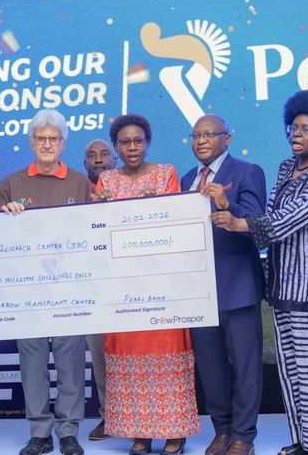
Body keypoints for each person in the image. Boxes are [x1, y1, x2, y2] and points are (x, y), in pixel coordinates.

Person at [211, 90, 308, 455]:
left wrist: (237, 223)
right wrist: (233, 210)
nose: (296, 134)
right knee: (292, 372)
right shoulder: (287, 168)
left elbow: (285, 221)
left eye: (306, 129)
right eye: (294, 127)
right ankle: (305, 441)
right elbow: (270, 211)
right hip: (283, 287)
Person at [95, 114, 199, 455]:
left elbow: (177, 222)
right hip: (122, 287)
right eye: (125, 142)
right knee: (128, 356)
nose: (132, 147)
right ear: (116, 147)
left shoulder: (166, 174)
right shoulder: (106, 181)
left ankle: (174, 432)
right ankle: (139, 431)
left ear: (148, 143)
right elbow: (98, 229)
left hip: (162, 285)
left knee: (166, 354)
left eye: (138, 141)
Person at [0, 109, 91, 455]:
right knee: (32, 363)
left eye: (53, 139)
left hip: (70, 289)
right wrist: (3, 217)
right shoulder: (11, 184)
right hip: (27, 291)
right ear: (31, 142)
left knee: (71, 363)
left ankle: (68, 432)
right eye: (41, 138)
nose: (47, 144)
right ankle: (39, 433)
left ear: (63, 143)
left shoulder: (81, 183)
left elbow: (97, 231)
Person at [180, 115, 266, 455]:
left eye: (208, 134)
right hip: (197, 290)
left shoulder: (248, 171)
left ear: (226, 139)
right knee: (211, 367)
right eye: (195, 136)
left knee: (245, 366)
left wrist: (230, 206)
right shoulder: (187, 178)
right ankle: (222, 430)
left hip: (237, 287)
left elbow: (259, 223)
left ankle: (243, 435)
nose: (201, 141)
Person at [82, 138, 117, 441]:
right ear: (85, 163)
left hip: (130, 285)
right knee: (99, 356)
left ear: (114, 160)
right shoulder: (76, 191)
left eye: (105, 154)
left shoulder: (129, 189)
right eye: (92, 155)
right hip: (92, 288)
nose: (98, 159)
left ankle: (140, 417)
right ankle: (110, 416)